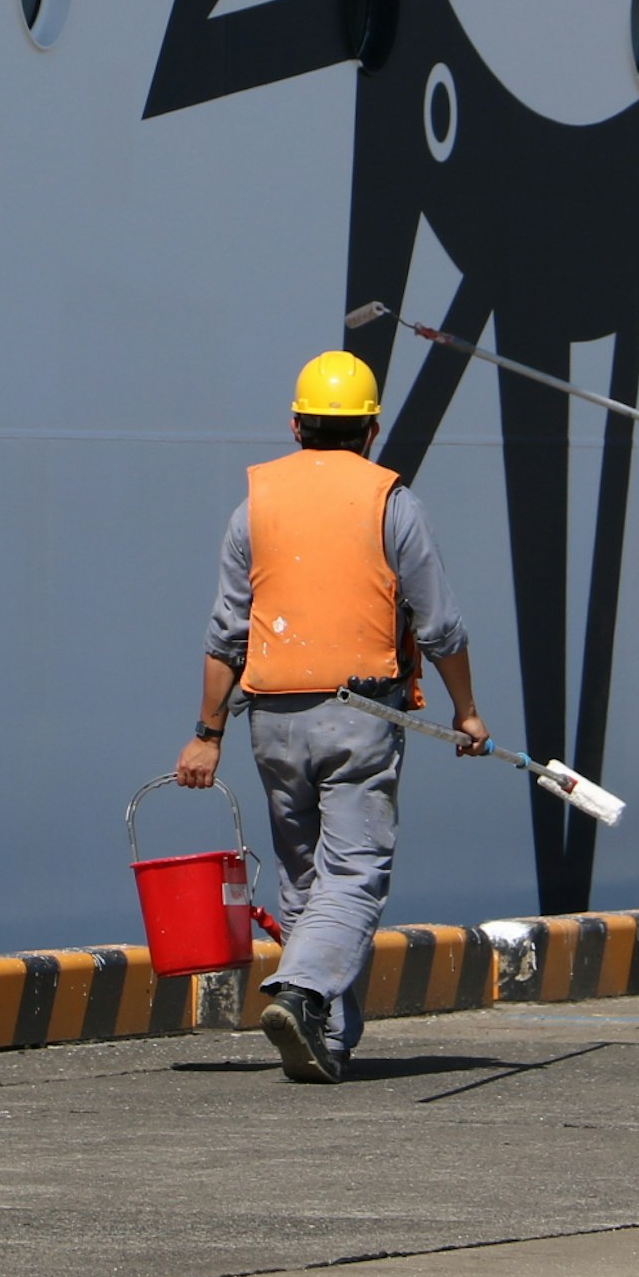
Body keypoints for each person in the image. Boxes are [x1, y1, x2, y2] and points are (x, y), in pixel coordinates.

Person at [172, 347, 486, 1082]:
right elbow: (441, 627)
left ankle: (328, 1039)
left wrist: (205, 735)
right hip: (358, 715)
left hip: (271, 719)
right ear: (372, 430)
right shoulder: (392, 504)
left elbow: (226, 633)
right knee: (356, 871)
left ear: (294, 425)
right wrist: (467, 712)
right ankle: (304, 992)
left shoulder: (256, 505)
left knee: (305, 878)